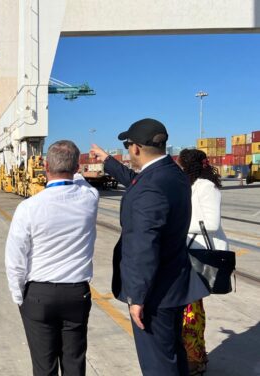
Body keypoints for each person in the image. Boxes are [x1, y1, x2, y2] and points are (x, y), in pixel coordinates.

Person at [90, 118, 208, 376]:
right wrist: (108, 161)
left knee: (158, 365)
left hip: (155, 294)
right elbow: (138, 181)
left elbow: (143, 246)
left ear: (135, 149)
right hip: (175, 284)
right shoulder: (172, 173)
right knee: (173, 354)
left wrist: (137, 297)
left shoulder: (151, 188)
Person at [5, 140, 99, 376]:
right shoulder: (90, 199)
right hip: (77, 293)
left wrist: (19, 297)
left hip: (39, 296)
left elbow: (15, 259)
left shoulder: (28, 207)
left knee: (43, 367)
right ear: (77, 168)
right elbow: (80, 181)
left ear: (45, 166)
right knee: (75, 363)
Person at [178, 148, 229, 375]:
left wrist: (176, 226)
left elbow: (211, 223)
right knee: (189, 306)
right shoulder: (190, 185)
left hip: (201, 254)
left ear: (189, 165)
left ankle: (195, 359)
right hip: (188, 251)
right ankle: (194, 355)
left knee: (191, 307)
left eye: (181, 164)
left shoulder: (207, 187)